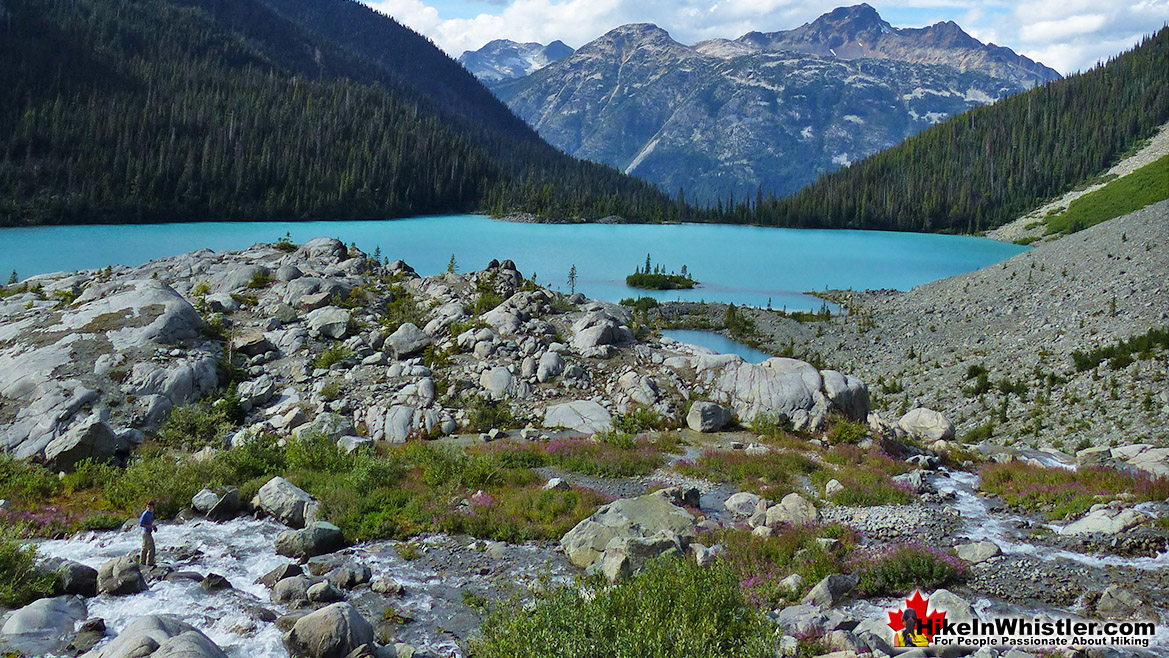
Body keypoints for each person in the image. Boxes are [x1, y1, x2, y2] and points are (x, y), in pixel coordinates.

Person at [139, 501, 157, 566]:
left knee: (144, 548)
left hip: (148, 531)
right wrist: (151, 526)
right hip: (145, 532)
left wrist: (153, 527)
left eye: (151, 506)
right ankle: (149, 563)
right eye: (148, 506)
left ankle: (142, 562)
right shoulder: (145, 514)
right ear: (146, 506)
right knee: (151, 548)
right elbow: (141, 524)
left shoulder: (151, 513)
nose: (149, 508)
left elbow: (150, 522)